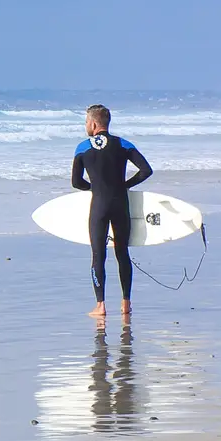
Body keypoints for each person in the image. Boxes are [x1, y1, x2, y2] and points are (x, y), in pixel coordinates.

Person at [72, 103, 153, 322]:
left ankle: (100, 306)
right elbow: (146, 170)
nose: (86, 126)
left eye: (86, 122)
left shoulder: (82, 148)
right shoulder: (123, 144)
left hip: (99, 205)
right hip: (120, 204)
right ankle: (126, 303)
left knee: (98, 255)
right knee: (122, 253)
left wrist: (94, 188)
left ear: (94, 123)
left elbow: (76, 182)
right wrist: (125, 185)